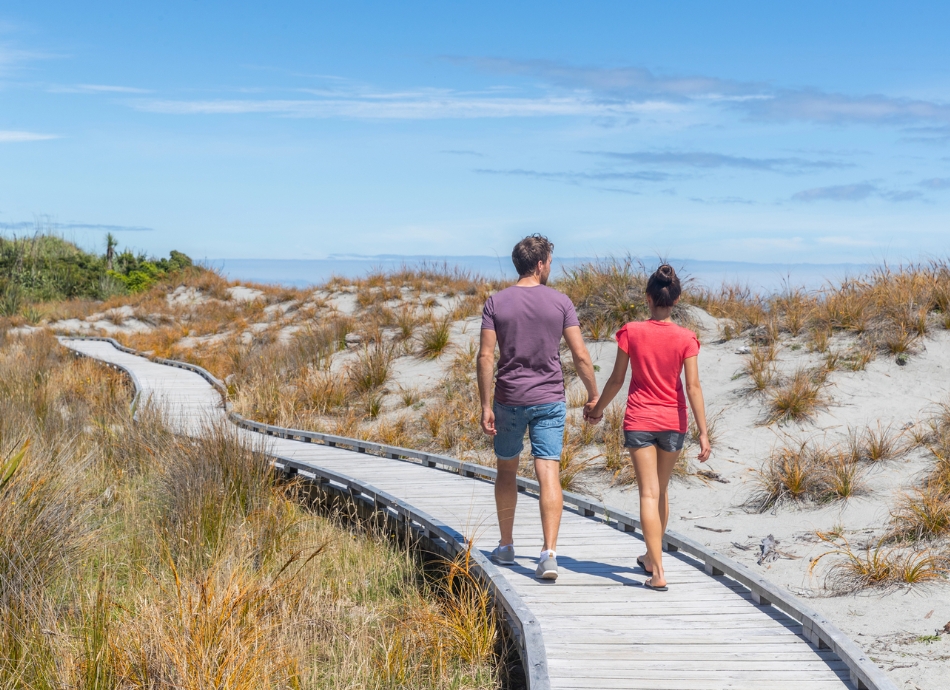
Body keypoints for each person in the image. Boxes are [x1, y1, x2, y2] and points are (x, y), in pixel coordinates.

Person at [477, 234, 599, 580]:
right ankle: (548, 553)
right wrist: (593, 395)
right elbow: (580, 355)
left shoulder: (496, 302)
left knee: (506, 471)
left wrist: (485, 404)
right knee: (549, 473)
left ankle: (505, 545)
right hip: (548, 399)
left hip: (509, 399)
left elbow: (486, 356)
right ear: (541, 264)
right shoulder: (560, 302)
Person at [585, 264, 710, 591]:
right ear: (677, 299)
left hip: (640, 419)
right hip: (673, 422)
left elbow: (616, 380)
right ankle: (652, 557)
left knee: (648, 492)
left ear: (648, 298)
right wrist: (704, 433)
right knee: (661, 491)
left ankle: (658, 573)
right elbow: (693, 387)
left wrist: (597, 410)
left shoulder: (631, 331)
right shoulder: (686, 337)